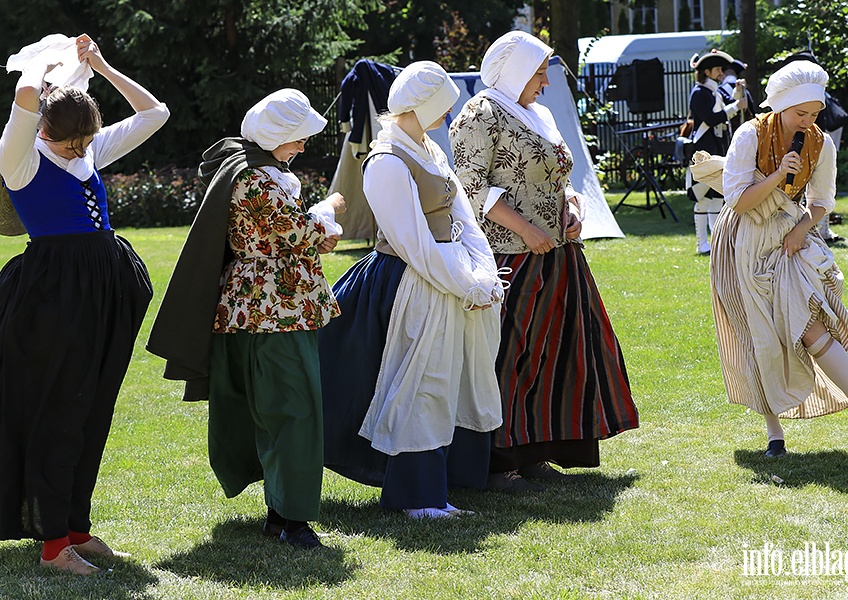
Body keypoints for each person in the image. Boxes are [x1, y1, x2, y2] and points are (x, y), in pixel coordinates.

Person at [0, 34, 169, 574]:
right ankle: (52, 545)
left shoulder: (88, 144)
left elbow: (155, 113)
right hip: (52, 296)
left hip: (102, 292)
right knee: (58, 409)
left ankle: (74, 526)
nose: (80, 151)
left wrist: (100, 66)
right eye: (70, 142)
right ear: (45, 130)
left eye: (85, 142)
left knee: (91, 408)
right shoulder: (19, 158)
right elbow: (26, 103)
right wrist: (42, 65)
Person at [146, 89, 344, 548]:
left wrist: (316, 224)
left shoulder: (253, 171)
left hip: (255, 308)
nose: (301, 147)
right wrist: (330, 211)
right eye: (296, 139)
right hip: (277, 311)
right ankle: (291, 520)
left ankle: (280, 513)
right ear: (275, 135)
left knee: (273, 409)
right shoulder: (256, 179)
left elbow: (290, 232)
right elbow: (302, 234)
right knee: (294, 410)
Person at [449, 31, 639, 492]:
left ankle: (537, 450)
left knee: (555, 352)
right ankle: (496, 461)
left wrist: (573, 207)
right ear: (514, 72)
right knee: (507, 354)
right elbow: (469, 186)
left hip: (558, 253)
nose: (546, 83)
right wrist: (524, 228)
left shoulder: (539, 113)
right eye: (538, 73)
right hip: (508, 254)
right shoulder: (480, 115)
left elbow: (560, 178)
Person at [319, 61, 505, 518]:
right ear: (424, 105)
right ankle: (416, 497)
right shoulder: (385, 162)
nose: (446, 116)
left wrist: (483, 271)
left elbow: (463, 217)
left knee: (454, 378)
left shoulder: (428, 149)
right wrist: (466, 282)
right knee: (420, 382)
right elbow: (413, 243)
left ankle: (445, 485)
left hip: (447, 274)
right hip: (410, 282)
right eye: (442, 108)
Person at [697, 59, 848, 460]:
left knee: (812, 326)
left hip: (790, 239)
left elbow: (823, 201)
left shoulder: (821, 143)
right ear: (780, 105)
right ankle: (774, 433)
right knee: (760, 334)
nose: (808, 120)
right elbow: (739, 201)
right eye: (801, 112)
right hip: (744, 239)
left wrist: (803, 229)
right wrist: (779, 173)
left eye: (814, 113)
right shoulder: (749, 135)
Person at [778, 51, 848, 246]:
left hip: (816, 149)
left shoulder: (818, 100)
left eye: (813, 114)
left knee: (820, 189)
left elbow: (822, 197)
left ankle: (824, 229)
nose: (808, 119)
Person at [688, 49, 748, 255]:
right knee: (702, 196)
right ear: (707, 72)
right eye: (717, 69)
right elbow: (712, 118)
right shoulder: (699, 93)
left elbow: (727, 103)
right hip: (704, 148)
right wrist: (734, 107)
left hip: (717, 146)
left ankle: (715, 240)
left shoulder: (713, 92)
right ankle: (701, 243)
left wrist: (738, 93)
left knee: (715, 197)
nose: (721, 72)